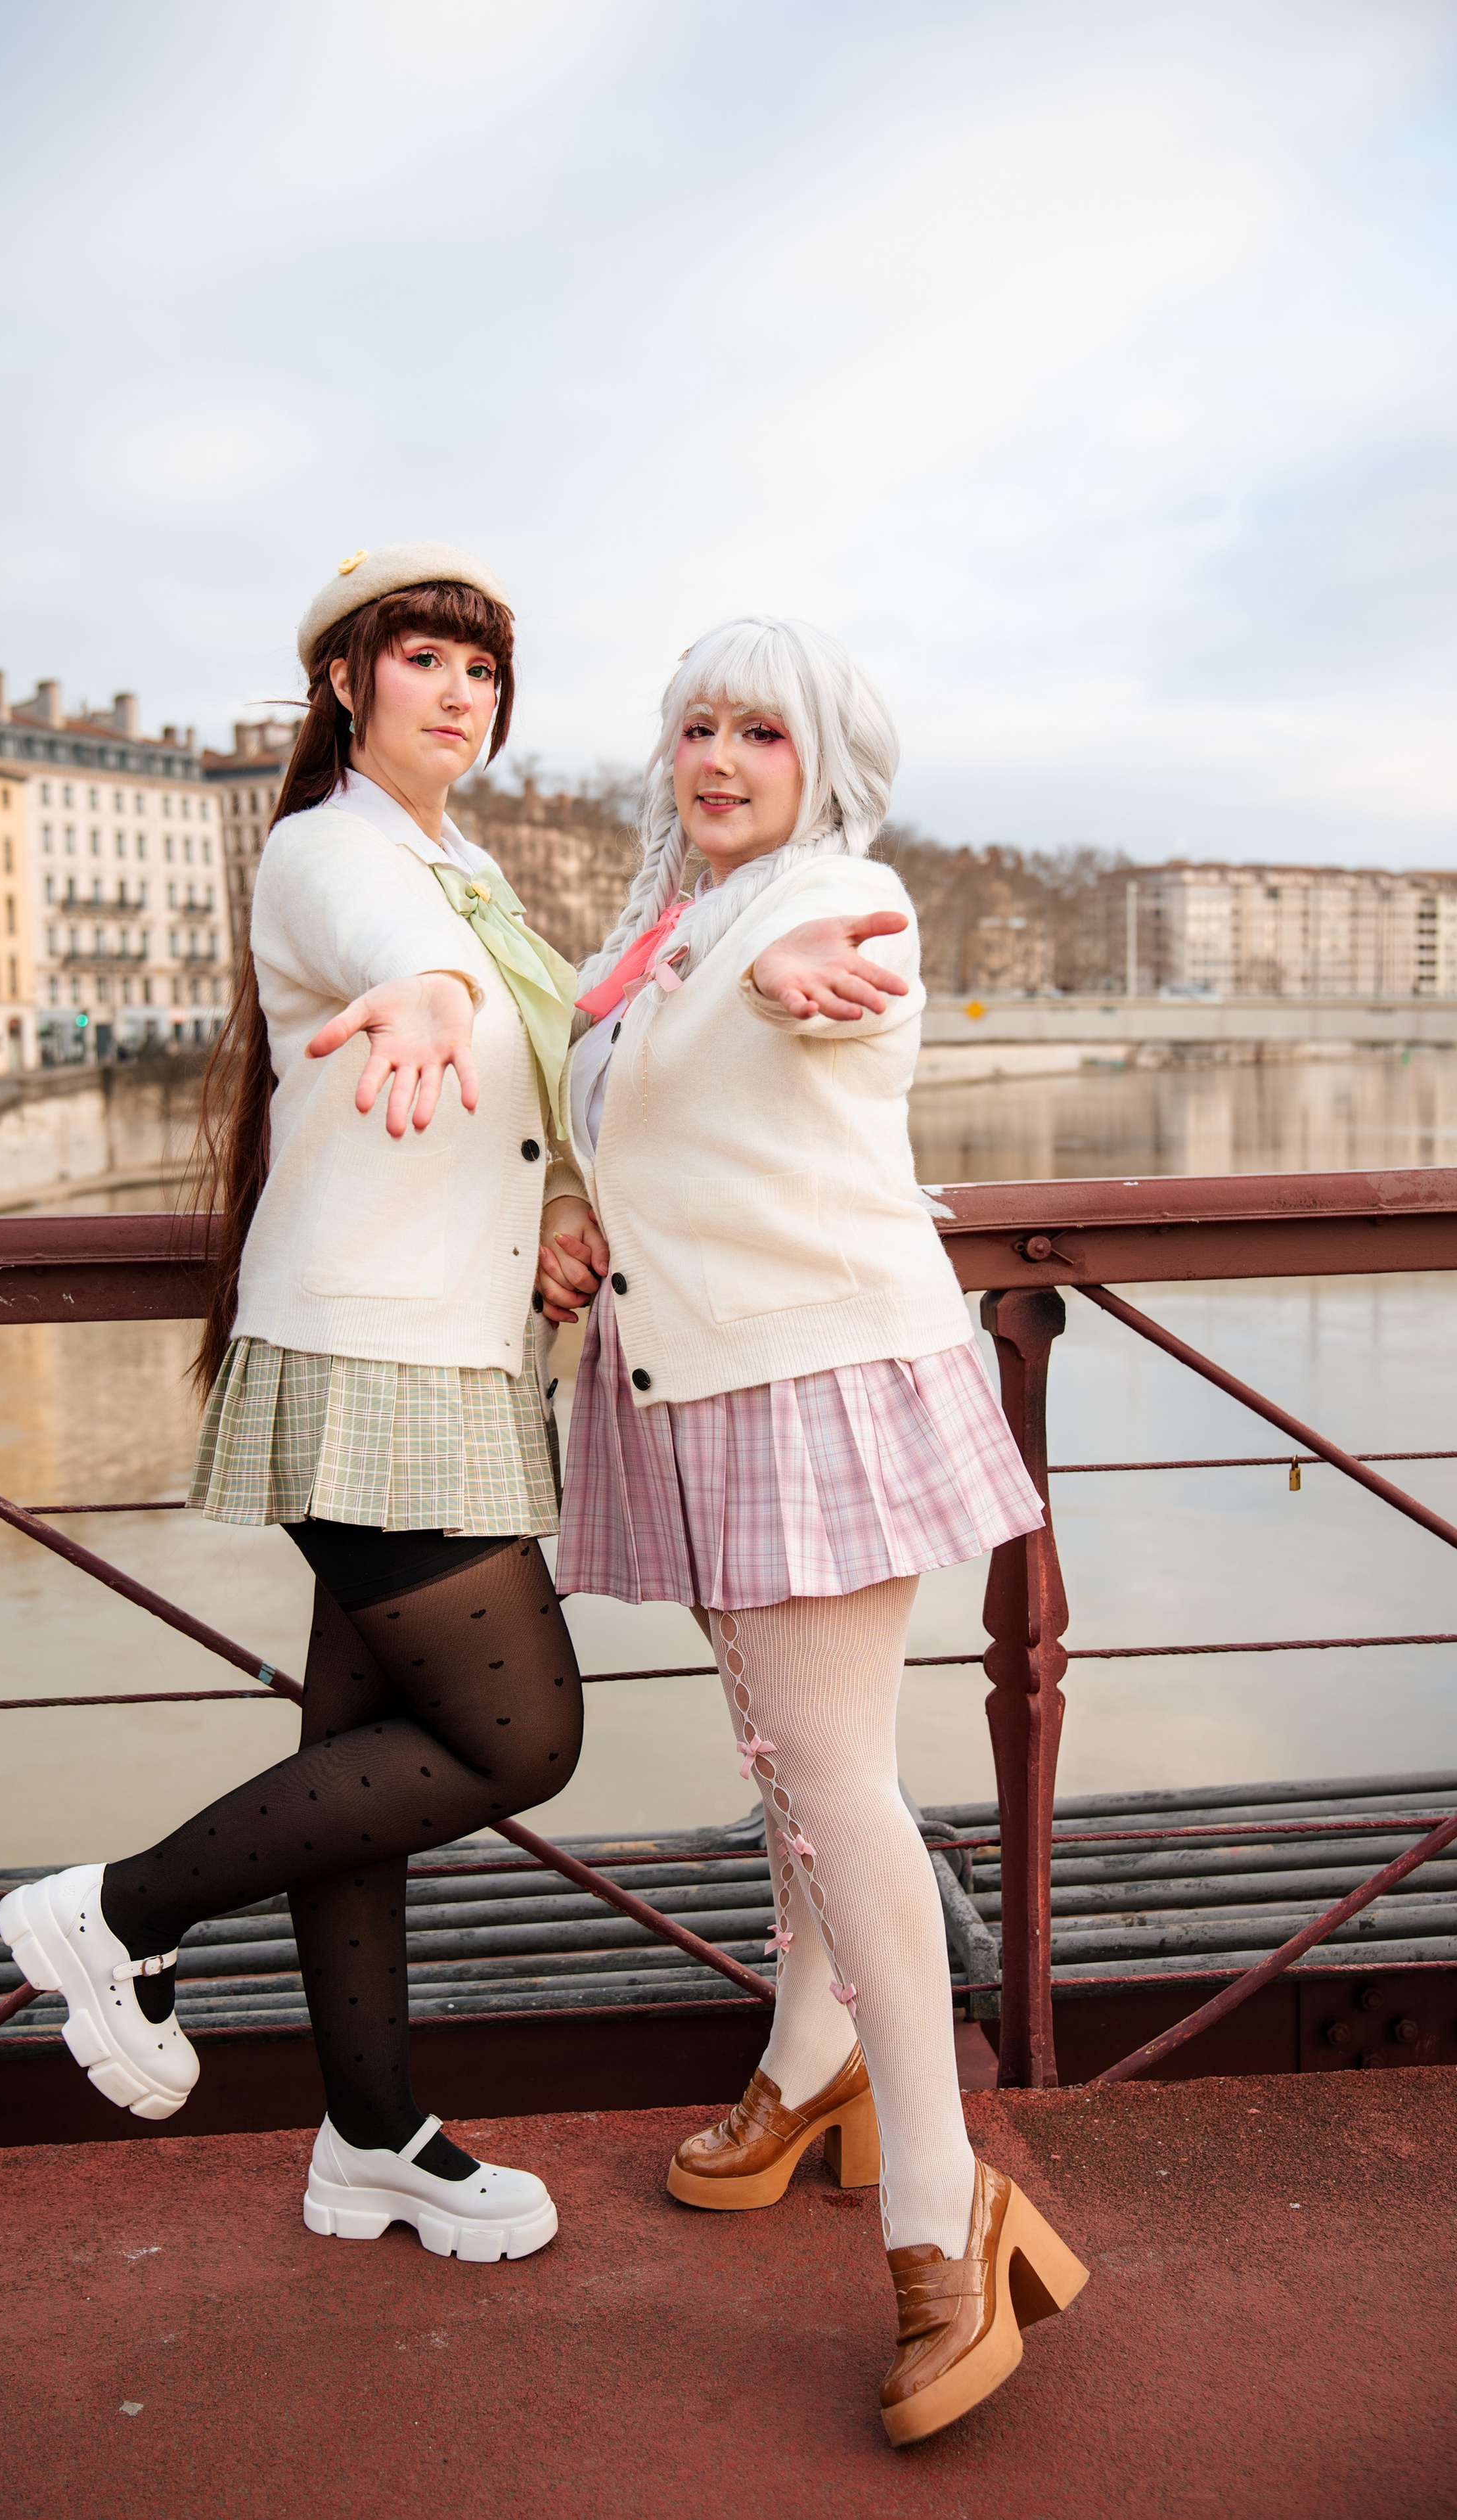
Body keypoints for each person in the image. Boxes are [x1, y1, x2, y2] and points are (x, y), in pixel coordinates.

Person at [0, 545, 587, 2264]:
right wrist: (431, 994)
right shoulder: (339, 853)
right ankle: (116, 1908)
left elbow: (517, 1080)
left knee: (361, 1760)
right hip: (374, 1355)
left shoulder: (464, 861)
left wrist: (558, 1205)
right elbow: (400, 962)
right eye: (425, 655)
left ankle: (369, 2138)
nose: (461, 688)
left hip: (450, 1345)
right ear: (348, 680)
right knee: (518, 1737)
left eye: (484, 663)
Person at [540, 615, 1089, 2442]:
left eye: (758, 728)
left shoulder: (833, 899)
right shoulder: (665, 927)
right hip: (696, 1379)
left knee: (831, 1776)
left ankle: (946, 2209)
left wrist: (795, 970)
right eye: (693, 724)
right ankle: (810, 2061)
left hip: (814, 1376)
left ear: (821, 758)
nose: (716, 756)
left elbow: (828, 960)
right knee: (790, 1755)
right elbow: (622, 1107)